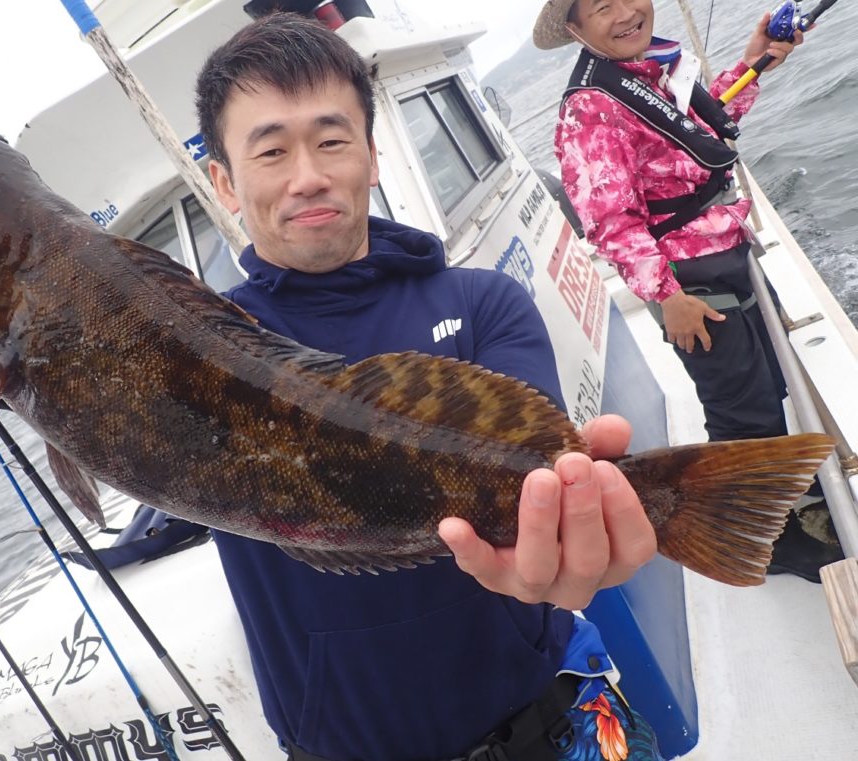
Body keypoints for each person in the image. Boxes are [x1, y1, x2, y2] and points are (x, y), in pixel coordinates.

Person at [195, 12, 662, 761]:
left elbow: (536, 484)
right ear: (223, 180)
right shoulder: (203, 350)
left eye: (332, 139)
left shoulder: (483, 303)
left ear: (373, 158)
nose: (308, 174)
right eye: (271, 150)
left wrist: (572, 539)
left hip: (557, 713)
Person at [533, 0, 843, 581]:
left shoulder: (649, 72)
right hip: (691, 287)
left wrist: (755, 62)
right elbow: (608, 220)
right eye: (602, 8)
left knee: (767, 386)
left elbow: (702, 124)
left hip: (726, 258)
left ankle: (788, 496)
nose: (626, 13)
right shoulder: (588, 110)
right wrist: (666, 297)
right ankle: (763, 539)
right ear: (575, 28)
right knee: (738, 412)